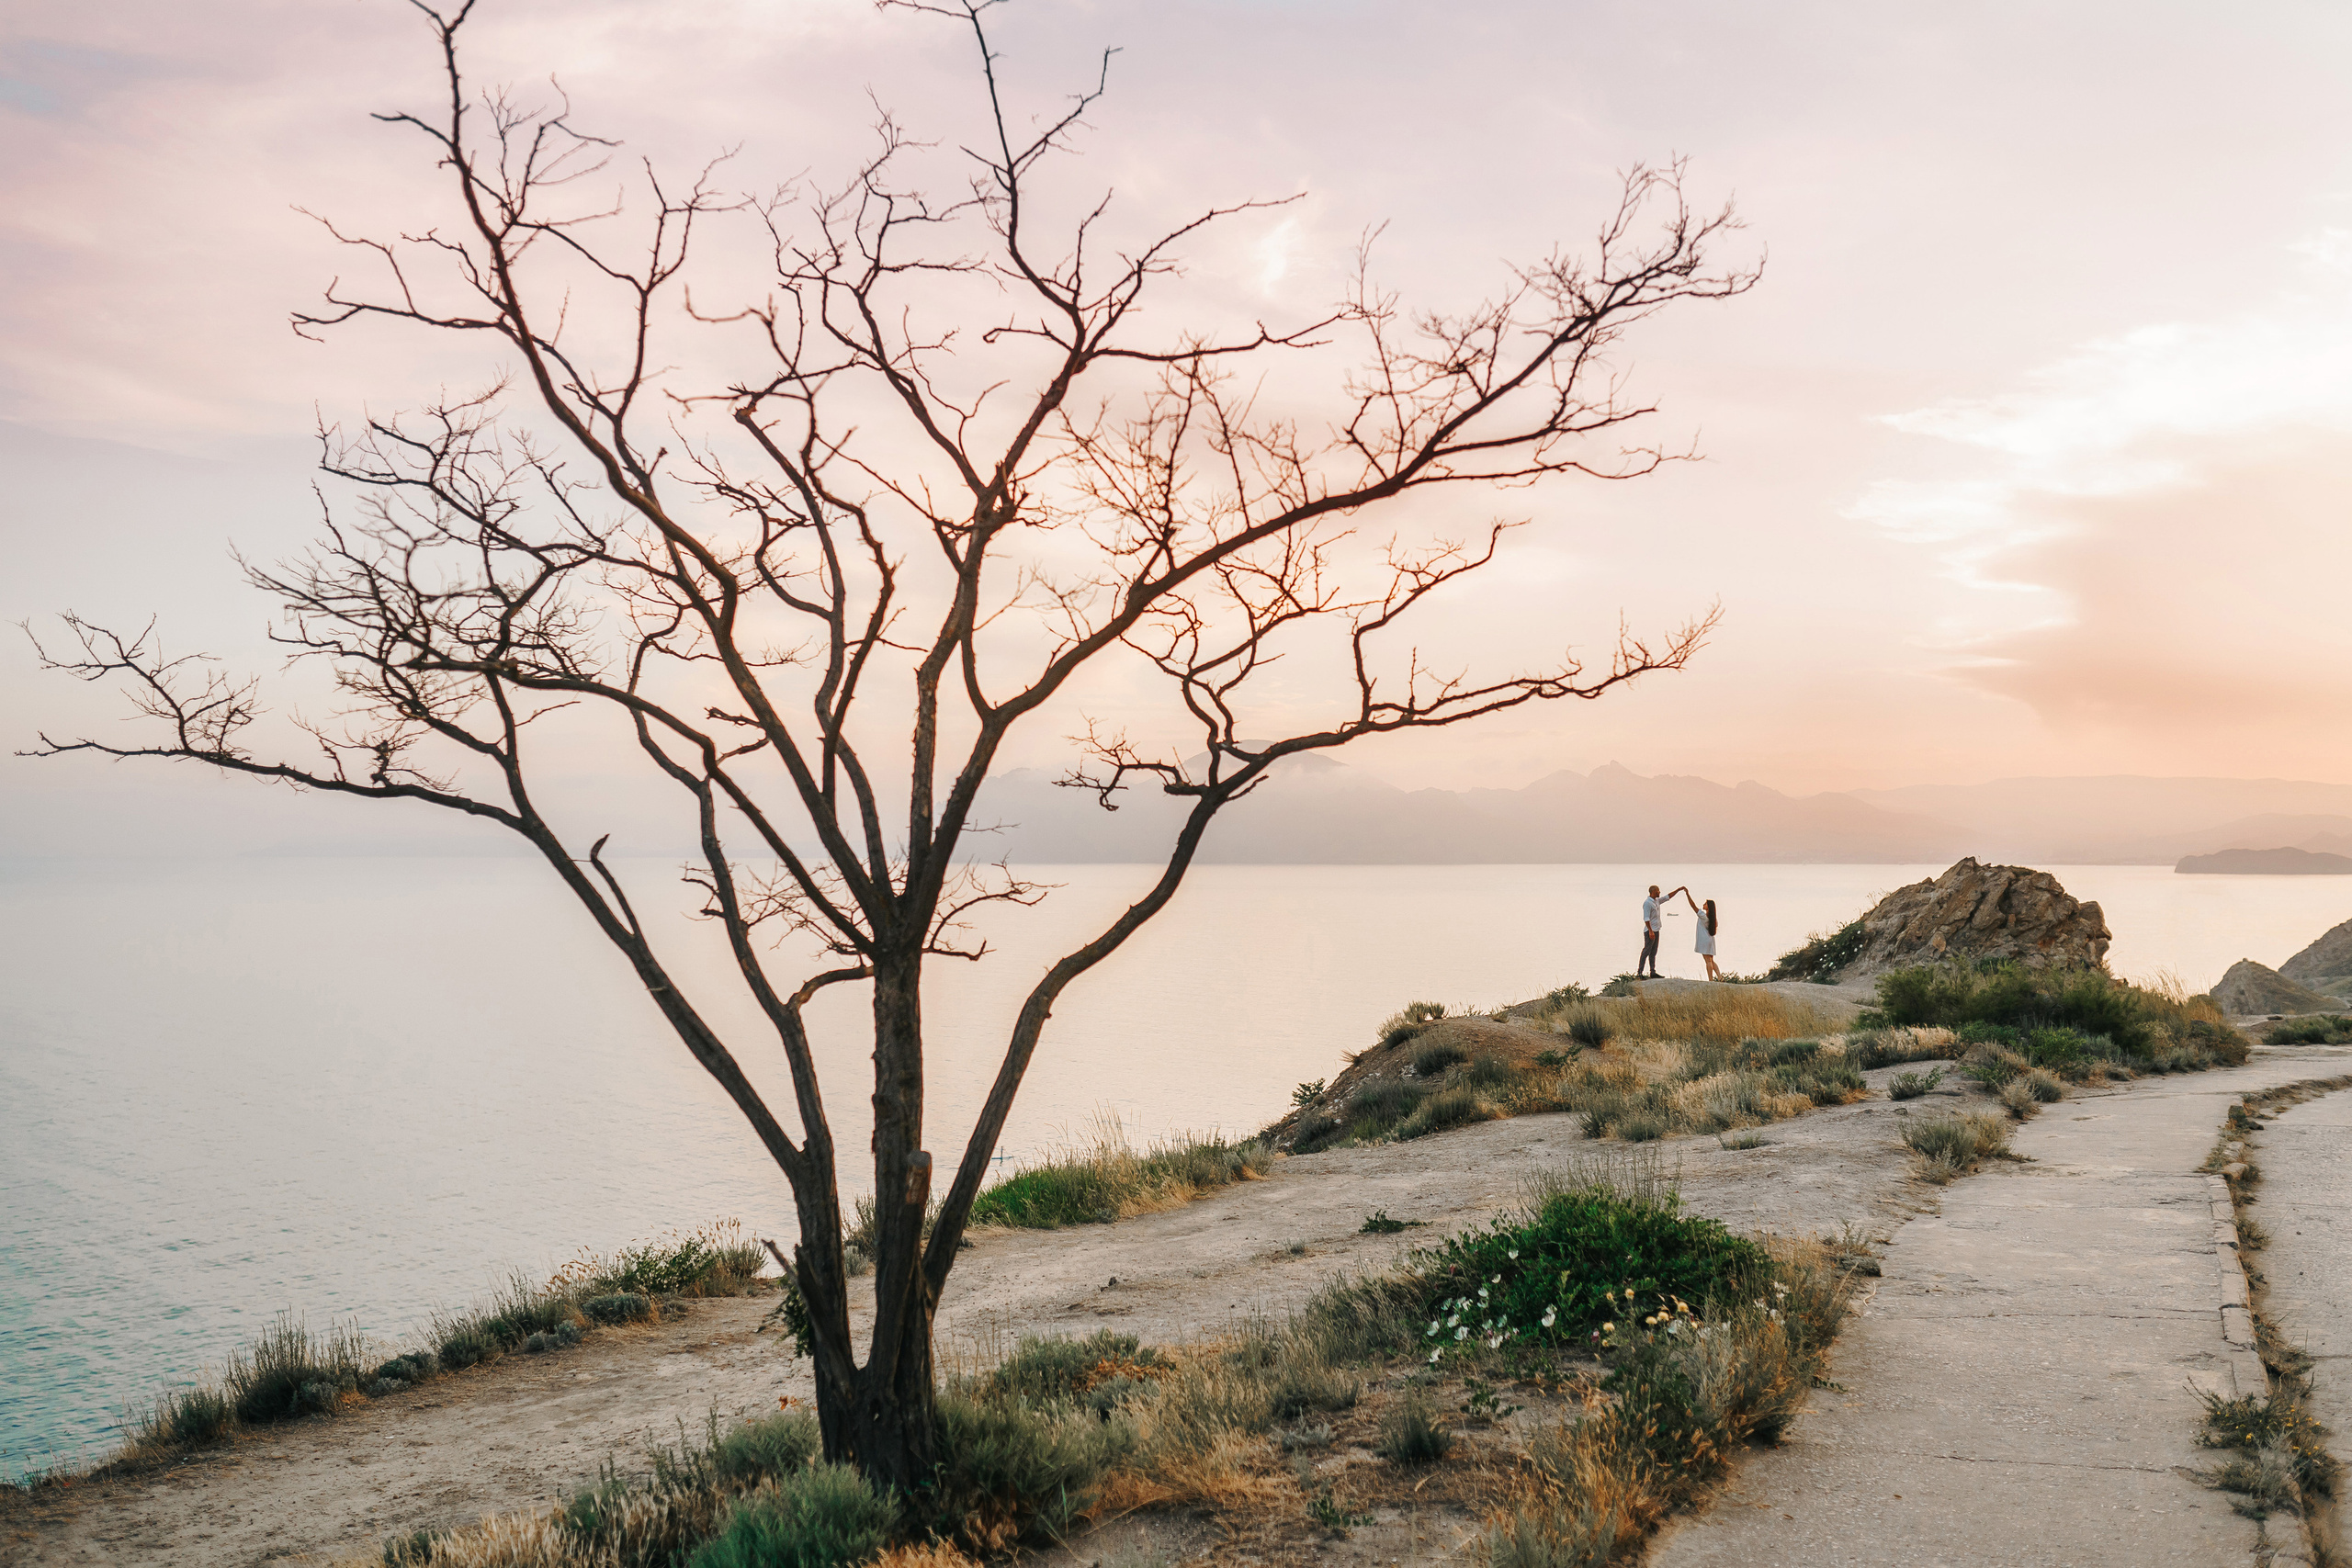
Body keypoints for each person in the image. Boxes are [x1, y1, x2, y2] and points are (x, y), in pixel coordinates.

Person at [1638, 883, 1678, 978]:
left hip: (1656, 930)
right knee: (1646, 951)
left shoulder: (1656, 901)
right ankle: (1639, 972)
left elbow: (1667, 897)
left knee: (1653, 952)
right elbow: (1646, 919)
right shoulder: (1647, 903)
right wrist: (1650, 931)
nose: (1660, 892)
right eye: (1658, 891)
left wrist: (1678, 890)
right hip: (1650, 931)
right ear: (1654, 892)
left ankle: (1652, 972)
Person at [1681, 890, 1722, 981]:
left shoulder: (1703, 916)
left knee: (1708, 961)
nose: (1703, 904)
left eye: (1705, 904)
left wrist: (1688, 894)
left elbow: (1693, 906)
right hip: (1711, 940)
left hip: (1704, 940)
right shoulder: (1713, 919)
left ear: (1708, 907)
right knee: (1711, 960)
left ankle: (1710, 980)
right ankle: (1719, 977)